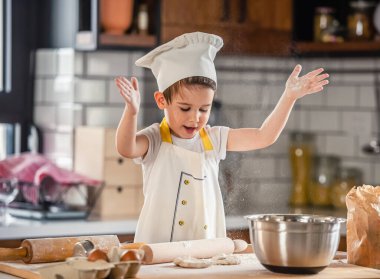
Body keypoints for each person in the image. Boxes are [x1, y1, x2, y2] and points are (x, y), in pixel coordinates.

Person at [115, 32, 329, 244]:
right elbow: (126, 148)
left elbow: (264, 136)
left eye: (204, 109)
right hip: (158, 253)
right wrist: (131, 112)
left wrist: (289, 97)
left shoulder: (213, 138)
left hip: (204, 254)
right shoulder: (154, 139)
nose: (195, 118)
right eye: (185, 108)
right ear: (162, 100)